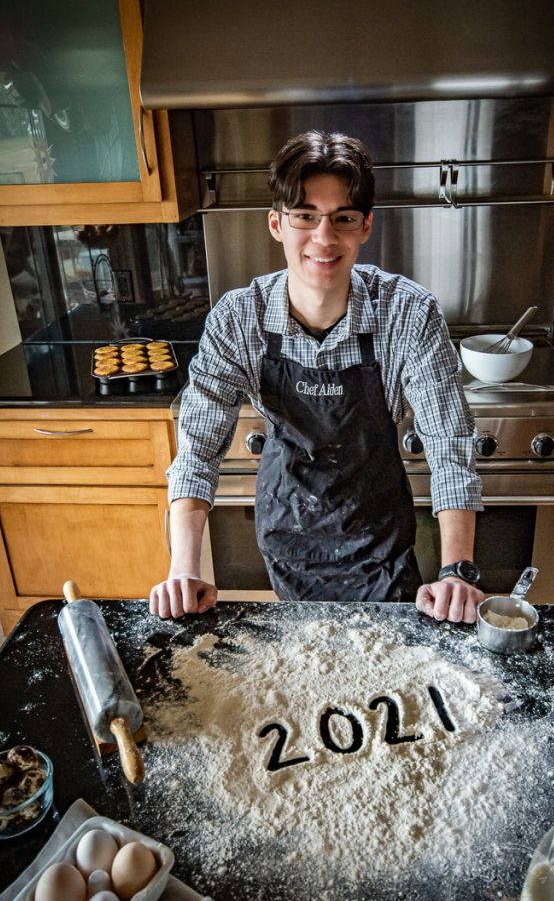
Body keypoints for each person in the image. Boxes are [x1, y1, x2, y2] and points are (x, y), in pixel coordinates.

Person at [150, 130, 484, 623]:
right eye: (305, 216)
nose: (324, 238)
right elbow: (198, 448)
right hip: (289, 535)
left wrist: (458, 569)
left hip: (381, 543)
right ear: (277, 224)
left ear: (365, 226)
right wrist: (183, 568)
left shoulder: (408, 313)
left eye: (343, 218)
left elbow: (448, 443)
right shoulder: (238, 319)